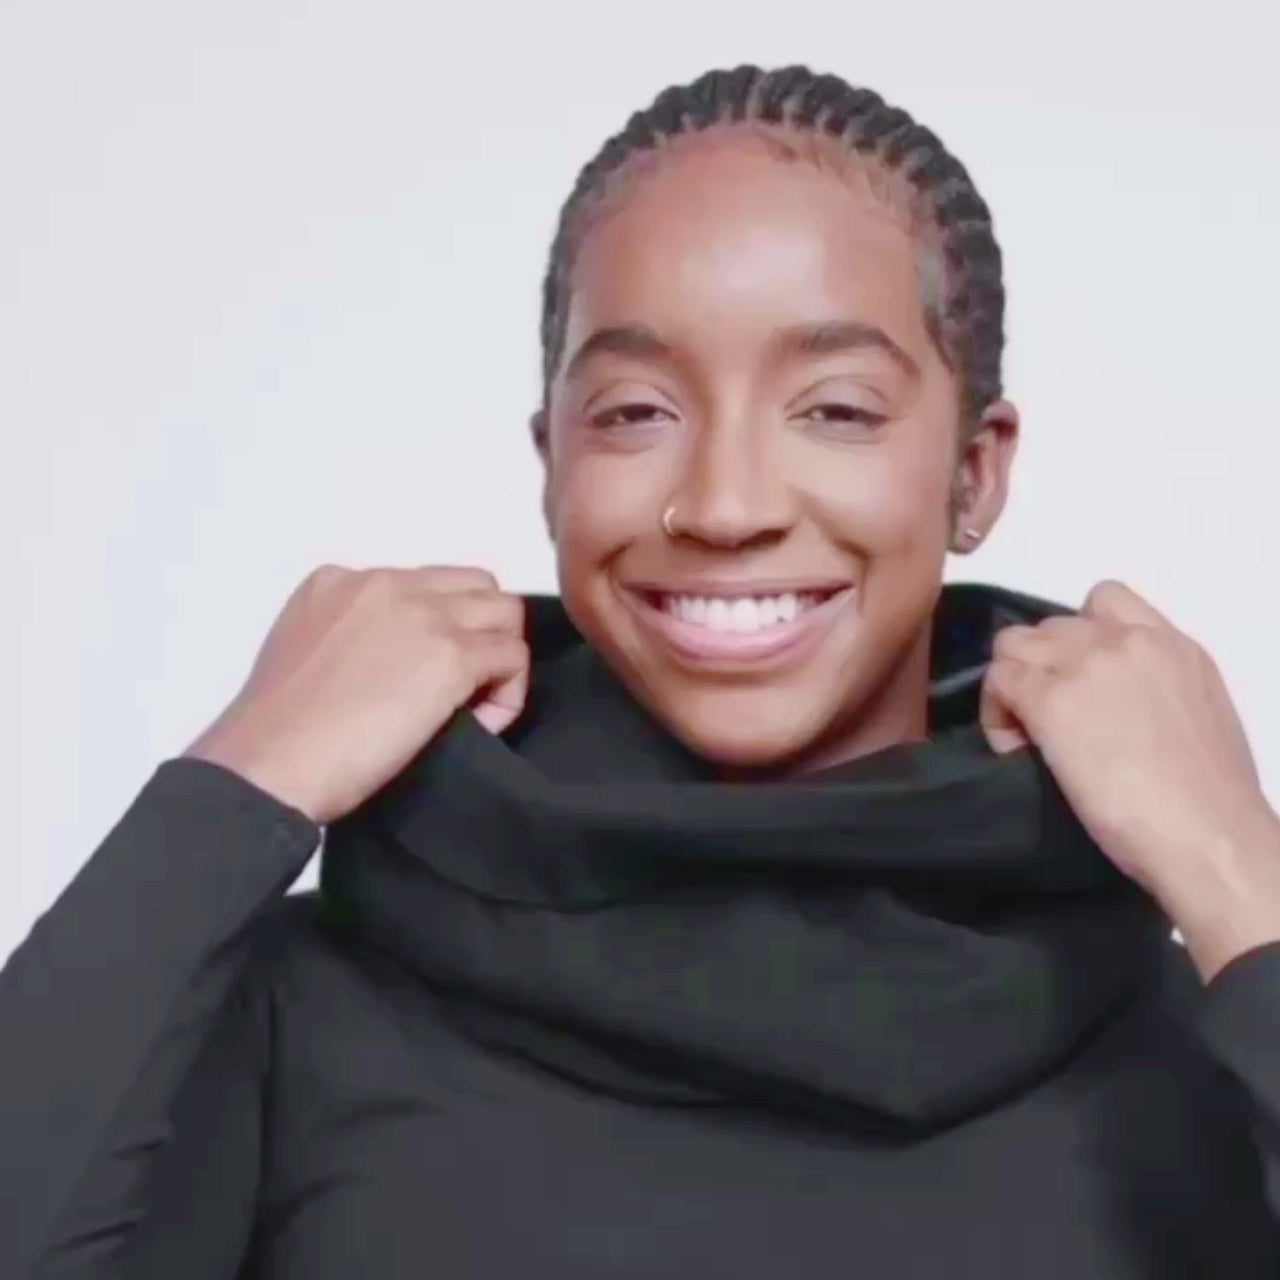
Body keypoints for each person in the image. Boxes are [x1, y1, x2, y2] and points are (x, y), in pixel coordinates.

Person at [4, 63, 1280, 1279]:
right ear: (550, 462)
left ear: (974, 470)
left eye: (834, 408)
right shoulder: (297, 1009)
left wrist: (1241, 872)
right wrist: (240, 782)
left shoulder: (1183, 1037)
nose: (724, 505)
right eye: (633, 412)